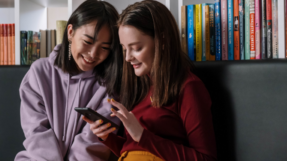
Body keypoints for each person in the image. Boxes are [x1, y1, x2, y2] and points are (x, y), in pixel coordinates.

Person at [84, 0, 217, 161]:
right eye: (125, 49)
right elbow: (135, 150)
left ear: (162, 41)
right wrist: (107, 137)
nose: (127, 57)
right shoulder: (139, 87)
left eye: (137, 48)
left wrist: (142, 136)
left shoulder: (188, 87)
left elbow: (206, 158)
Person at [15, 0, 122, 160]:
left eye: (104, 47)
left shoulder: (111, 85)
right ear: (70, 32)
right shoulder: (39, 72)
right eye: (87, 42)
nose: (93, 54)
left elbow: (92, 145)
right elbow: (36, 133)